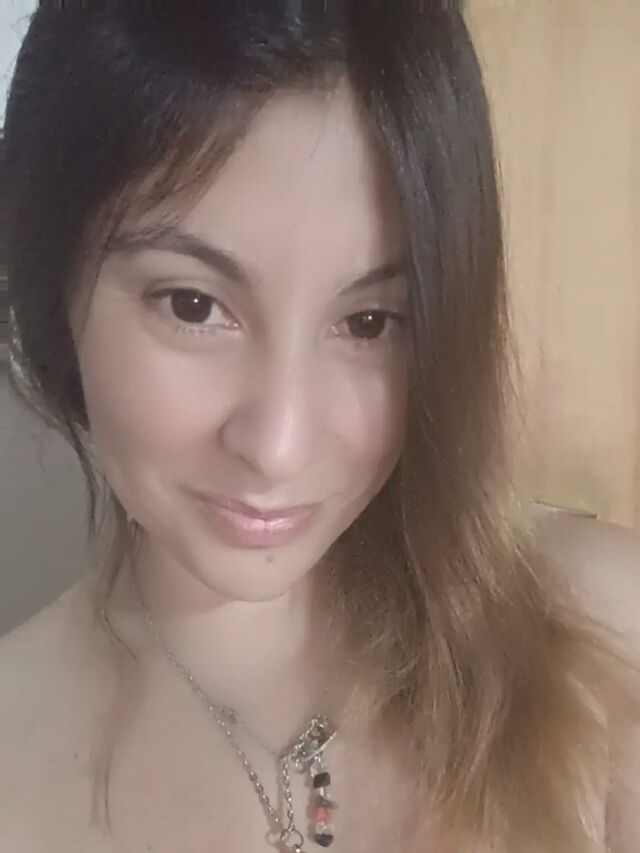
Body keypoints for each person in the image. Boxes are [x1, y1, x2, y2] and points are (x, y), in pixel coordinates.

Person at [1, 2, 639, 851]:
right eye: (193, 305)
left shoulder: (604, 642)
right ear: (55, 289)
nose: (279, 445)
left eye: (369, 322)